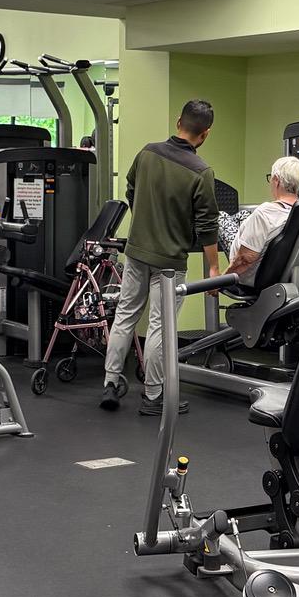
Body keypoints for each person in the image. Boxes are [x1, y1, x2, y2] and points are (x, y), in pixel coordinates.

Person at [103, 99, 221, 415]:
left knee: (125, 315)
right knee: (160, 326)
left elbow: (130, 190)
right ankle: (154, 395)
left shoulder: (146, 153)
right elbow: (207, 226)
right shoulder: (201, 172)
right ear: (205, 133)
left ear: (178, 121)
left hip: (137, 252)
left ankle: (111, 382)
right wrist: (212, 267)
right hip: (169, 262)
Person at [224, 156, 299, 278]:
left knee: (222, 217)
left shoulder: (265, 212)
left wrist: (222, 280)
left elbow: (244, 259)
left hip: (248, 278)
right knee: (244, 216)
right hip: (290, 277)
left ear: (276, 180)